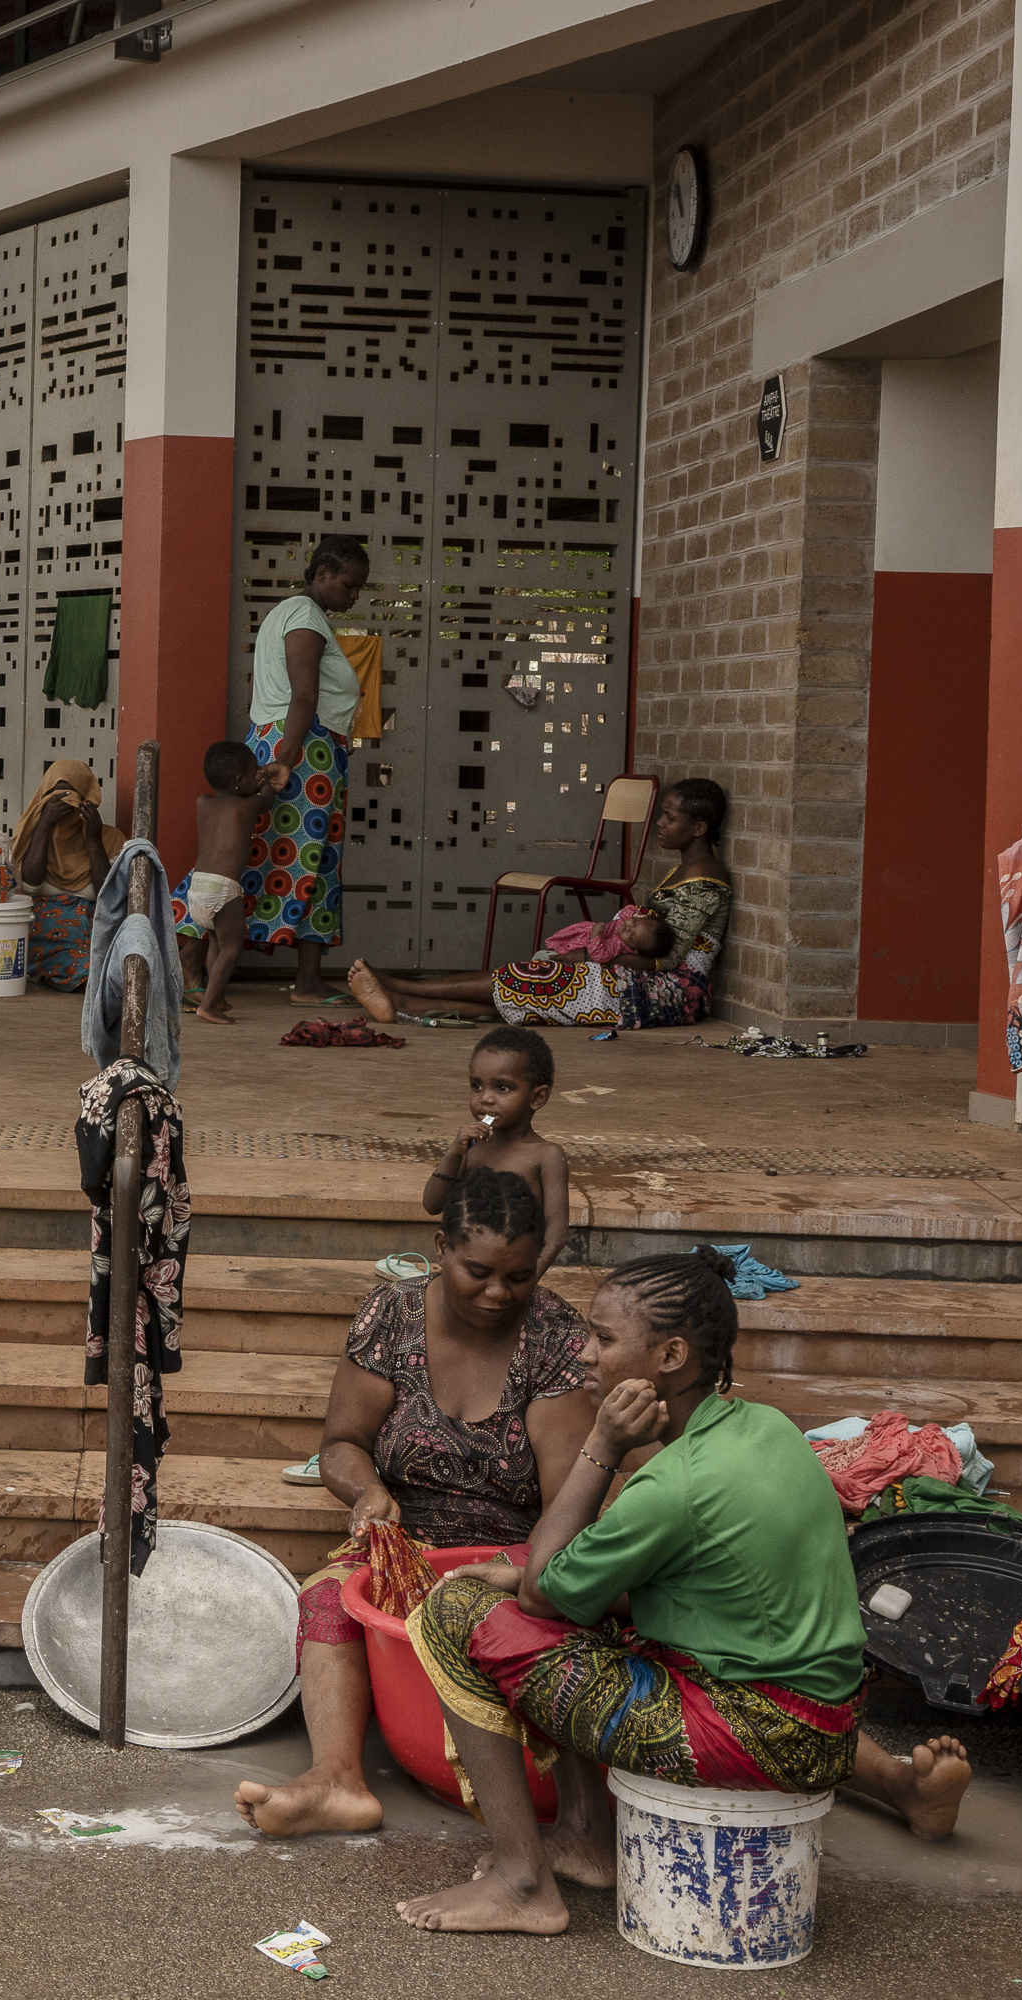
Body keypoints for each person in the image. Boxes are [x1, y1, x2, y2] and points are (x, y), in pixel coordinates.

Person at [399, 1248, 970, 1934]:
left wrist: (601, 1447)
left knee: (454, 1611)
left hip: (756, 1733)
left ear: (669, 1356)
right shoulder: (765, 1426)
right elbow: (655, 1587)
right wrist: (532, 1575)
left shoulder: (674, 1486)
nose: (583, 1354)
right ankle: (584, 1839)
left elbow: (546, 1597)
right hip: (822, 1724)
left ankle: (522, 1882)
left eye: (604, 1339)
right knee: (577, 1598)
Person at [234, 1170, 595, 1838]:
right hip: (405, 1538)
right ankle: (337, 1779)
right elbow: (343, 1442)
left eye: (519, 1278)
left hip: (514, 1549)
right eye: (479, 1271)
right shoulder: (391, 1315)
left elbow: (568, 1505)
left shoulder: (559, 1342)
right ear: (441, 1248)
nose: (497, 1293)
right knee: (328, 1597)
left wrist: (523, 1575)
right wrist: (367, 1490)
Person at [349, 779, 735, 1031]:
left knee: (538, 980)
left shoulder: (705, 881)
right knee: (534, 986)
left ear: (699, 828)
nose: (660, 825)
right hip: (641, 981)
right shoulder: (686, 869)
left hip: (671, 994)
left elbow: (667, 960)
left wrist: (590, 957)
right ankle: (402, 1000)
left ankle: (401, 992)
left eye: (669, 818)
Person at [203, 535, 366, 1006]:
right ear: (322, 575)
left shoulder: (286, 612)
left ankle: (200, 967)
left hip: (285, 743)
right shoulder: (304, 617)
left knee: (250, 854)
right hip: (303, 750)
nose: (354, 595)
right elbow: (305, 695)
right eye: (349, 584)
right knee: (314, 859)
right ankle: (307, 981)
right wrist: (287, 759)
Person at [421, 1027, 570, 1278]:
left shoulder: (547, 1155)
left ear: (537, 1097)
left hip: (516, 1276)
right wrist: (454, 1154)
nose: (485, 1099)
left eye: (502, 1088)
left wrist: (526, 1282)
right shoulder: (471, 1147)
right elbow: (432, 1204)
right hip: (465, 1276)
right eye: (476, 1086)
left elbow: (557, 1231)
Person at [180, 739, 287, 1022]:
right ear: (240, 781)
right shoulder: (247, 808)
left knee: (216, 943)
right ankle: (208, 1005)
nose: (258, 775)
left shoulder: (203, 803)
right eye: (254, 772)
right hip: (223, 889)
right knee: (231, 948)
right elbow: (267, 800)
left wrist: (256, 777)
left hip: (198, 887)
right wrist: (267, 781)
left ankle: (216, 996)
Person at [9, 758, 126, 992]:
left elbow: (109, 896)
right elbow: (31, 887)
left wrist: (92, 840)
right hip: (48, 933)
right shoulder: (30, 833)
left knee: (113, 950)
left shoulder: (110, 839)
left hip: (91, 930)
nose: (64, 803)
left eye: (71, 795)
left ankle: (94, 975)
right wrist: (43, 825)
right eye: (56, 795)